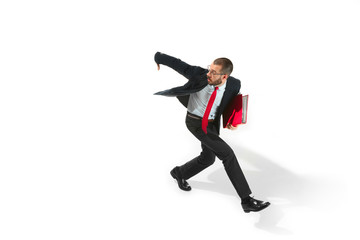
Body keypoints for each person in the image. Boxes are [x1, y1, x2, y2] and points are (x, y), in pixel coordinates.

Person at [154, 52, 270, 213]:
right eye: (210, 69)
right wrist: (158, 57)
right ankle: (246, 200)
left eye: (214, 72)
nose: (208, 74)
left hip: (212, 124)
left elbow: (231, 102)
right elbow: (178, 64)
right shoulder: (199, 75)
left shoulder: (234, 84)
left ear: (224, 77)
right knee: (227, 155)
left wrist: (232, 121)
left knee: (208, 158)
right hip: (195, 122)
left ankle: (179, 172)